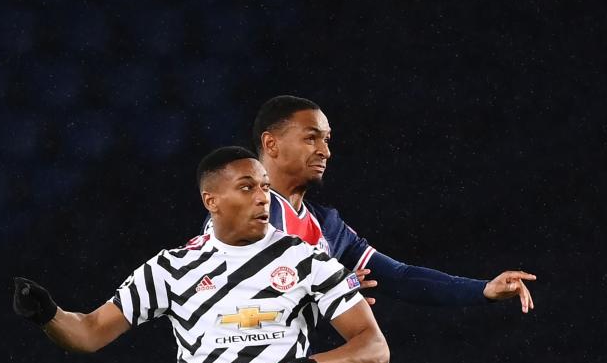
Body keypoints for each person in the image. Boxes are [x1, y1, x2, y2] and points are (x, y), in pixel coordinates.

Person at [13, 146, 389, 363]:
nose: (262, 197)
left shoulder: (306, 260)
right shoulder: (172, 268)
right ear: (211, 200)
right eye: (246, 188)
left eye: (264, 186)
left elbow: (374, 349)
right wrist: (48, 314)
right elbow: (90, 333)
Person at [203, 96, 536, 312]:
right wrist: (331, 290)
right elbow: (218, 301)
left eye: (327, 140)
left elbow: (401, 277)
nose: (325, 151)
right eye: (311, 138)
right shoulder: (240, 208)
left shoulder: (327, 226)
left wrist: (482, 290)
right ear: (271, 144)